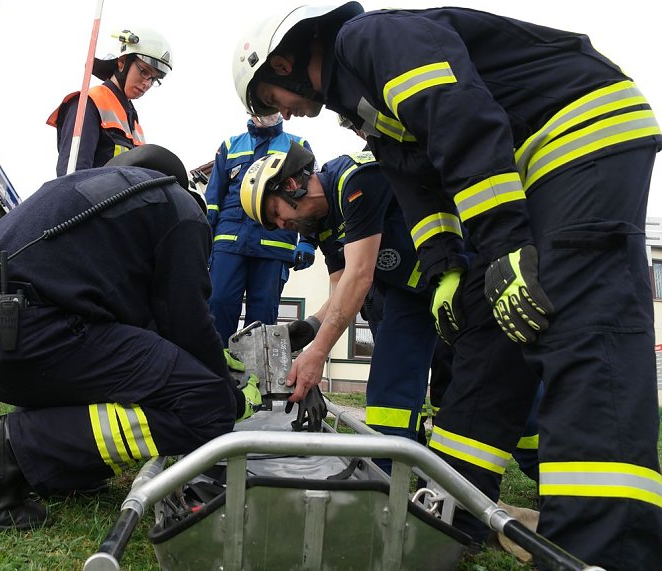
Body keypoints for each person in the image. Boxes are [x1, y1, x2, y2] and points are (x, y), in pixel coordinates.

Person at [231, 4, 662, 568]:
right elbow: (421, 192)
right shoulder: (364, 105)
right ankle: (452, 508)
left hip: (577, 132)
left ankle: (609, 546)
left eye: (271, 100)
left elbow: (460, 116)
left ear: (283, 63)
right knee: (488, 330)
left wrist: (504, 245)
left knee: (581, 324)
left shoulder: (370, 39)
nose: (282, 113)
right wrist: (449, 274)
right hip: (523, 168)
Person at [0, 144, 260, 532]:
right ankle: (4, 450)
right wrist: (227, 391)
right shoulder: (176, 204)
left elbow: (136, 330)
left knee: (127, 372)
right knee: (207, 404)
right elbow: (185, 319)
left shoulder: (80, 193)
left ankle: (62, 468)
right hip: (18, 329)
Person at [240, 144, 439, 472]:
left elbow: (360, 277)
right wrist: (310, 328)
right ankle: (386, 478)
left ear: (290, 185)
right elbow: (342, 287)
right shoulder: (322, 224)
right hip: (409, 290)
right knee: (389, 390)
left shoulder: (355, 180)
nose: (280, 225)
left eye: (275, 213)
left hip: (448, 278)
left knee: (457, 384)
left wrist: (317, 353)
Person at [204, 113, 316, 346]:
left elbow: (310, 197)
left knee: (263, 313)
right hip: (229, 240)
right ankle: (216, 371)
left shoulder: (297, 147)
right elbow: (213, 199)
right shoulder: (230, 146)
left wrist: (307, 240)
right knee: (219, 302)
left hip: (275, 243)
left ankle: (256, 375)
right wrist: (203, 241)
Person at [46, 27, 172, 176]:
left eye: (154, 79)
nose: (147, 83)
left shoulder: (135, 124)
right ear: (122, 61)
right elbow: (71, 177)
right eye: (144, 72)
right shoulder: (90, 102)